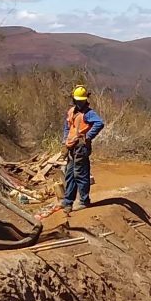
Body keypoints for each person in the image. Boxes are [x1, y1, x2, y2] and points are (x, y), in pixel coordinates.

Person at [61, 84, 105, 212]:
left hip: (81, 147)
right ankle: (68, 201)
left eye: (81, 100)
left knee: (80, 173)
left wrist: (88, 136)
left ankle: (84, 201)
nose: (79, 102)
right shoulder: (71, 112)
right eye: (78, 100)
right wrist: (65, 141)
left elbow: (99, 123)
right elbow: (67, 126)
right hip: (71, 146)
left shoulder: (88, 113)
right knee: (69, 174)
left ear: (85, 100)